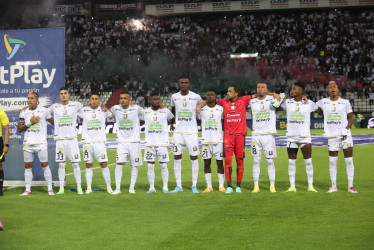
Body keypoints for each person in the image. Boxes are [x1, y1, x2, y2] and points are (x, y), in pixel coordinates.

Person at [315, 81, 358, 193]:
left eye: (334, 87)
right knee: (332, 162)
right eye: (330, 87)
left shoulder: (345, 102)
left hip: (345, 136)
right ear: (328, 91)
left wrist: (346, 128)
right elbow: (313, 107)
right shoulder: (323, 102)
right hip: (332, 136)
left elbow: (351, 118)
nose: (332, 88)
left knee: (349, 161)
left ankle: (350, 186)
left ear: (338, 90)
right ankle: (333, 186)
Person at [280, 82, 318, 192]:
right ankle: (292, 186)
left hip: (305, 137)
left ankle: (310, 186)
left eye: (295, 89)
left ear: (301, 91)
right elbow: (276, 103)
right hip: (291, 137)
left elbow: (320, 111)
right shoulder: (287, 102)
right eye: (292, 89)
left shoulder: (309, 103)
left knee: (308, 161)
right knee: (291, 162)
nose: (292, 91)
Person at [170, 77, 202, 193]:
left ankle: (194, 185)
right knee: (177, 157)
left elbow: (202, 105)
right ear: (179, 84)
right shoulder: (174, 97)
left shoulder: (196, 96)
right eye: (182, 83)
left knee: (194, 157)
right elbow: (173, 111)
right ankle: (179, 186)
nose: (183, 84)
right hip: (178, 133)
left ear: (189, 84)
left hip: (191, 132)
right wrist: (173, 123)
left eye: (186, 83)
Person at [18, 92, 54, 196]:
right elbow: (20, 129)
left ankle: (50, 189)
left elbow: (53, 122)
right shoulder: (23, 112)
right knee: (28, 166)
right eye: (28, 98)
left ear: (37, 100)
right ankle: (28, 190)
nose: (29, 100)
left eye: (32, 98)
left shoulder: (44, 110)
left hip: (41, 143)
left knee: (45, 165)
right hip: (28, 143)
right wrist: (30, 122)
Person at [48, 87, 83, 195]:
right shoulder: (54, 107)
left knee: (75, 164)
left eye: (65, 93)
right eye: (61, 93)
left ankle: (79, 187)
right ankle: (61, 188)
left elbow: (86, 109)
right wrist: (55, 123)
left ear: (69, 95)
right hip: (60, 140)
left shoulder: (75, 105)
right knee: (61, 165)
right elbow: (45, 114)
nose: (63, 95)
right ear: (59, 95)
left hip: (72, 140)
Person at [78, 93, 113, 194]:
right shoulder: (83, 110)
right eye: (92, 99)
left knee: (103, 164)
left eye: (96, 99)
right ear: (89, 100)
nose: (94, 100)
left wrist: (105, 107)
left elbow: (110, 114)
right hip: (87, 142)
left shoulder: (103, 110)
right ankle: (89, 188)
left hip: (99, 142)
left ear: (99, 100)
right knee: (88, 165)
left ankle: (109, 187)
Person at [111, 91, 144, 194]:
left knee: (134, 165)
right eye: (121, 98)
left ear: (129, 100)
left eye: (125, 98)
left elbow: (148, 114)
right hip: (121, 142)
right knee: (119, 164)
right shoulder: (115, 108)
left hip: (134, 142)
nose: (123, 100)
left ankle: (131, 188)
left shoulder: (136, 108)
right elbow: (105, 112)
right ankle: (117, 188)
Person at [248, 83, 278, 193]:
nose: (260, 89)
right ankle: (256, 186)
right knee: (256, 161)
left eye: (262, 87)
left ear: (267, 89)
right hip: (256, 136)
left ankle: (272, 186)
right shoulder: (252, 102)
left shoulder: (272, 99)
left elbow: (281, 98)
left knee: (270, 161)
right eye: (258, 87)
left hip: (268, 135)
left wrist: (272, 94)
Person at [141, 93, 174, 193]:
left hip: (162, 143)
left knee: (163, 165)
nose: (156, 101)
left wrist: (172, 124)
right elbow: (141, 122)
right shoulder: (145, 112)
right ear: (150, 101)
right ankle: (151, 187)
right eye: (154, 99)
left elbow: (173, 119)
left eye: (158, 99)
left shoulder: (166, 111)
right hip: (150, 143)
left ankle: (165, 187)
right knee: (150, 165)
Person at [199, 90, 225, 193]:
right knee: (206, 163)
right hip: (205, 141)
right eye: (208, 95)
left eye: (212, 95)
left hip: (218, 141)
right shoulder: (202, 110)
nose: (209, 96)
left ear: (216, 97)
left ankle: (221, 186)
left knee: (220, 163)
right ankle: (209, 186)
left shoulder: (221, 109)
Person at [0, 108, 9, 196]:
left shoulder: (1, 112)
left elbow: (6, 129)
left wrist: (6, 145)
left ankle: (0, 190)